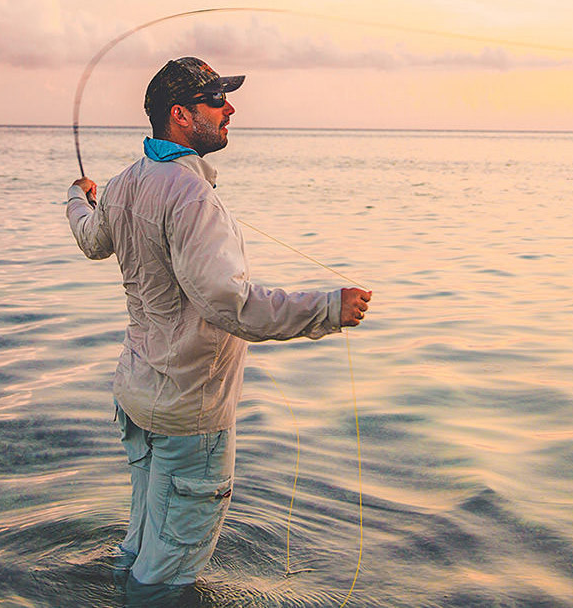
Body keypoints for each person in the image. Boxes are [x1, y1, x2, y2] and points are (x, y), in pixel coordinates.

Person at [65, 56, 372, 595]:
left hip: (136, 399)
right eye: (216, 101)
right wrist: (327, 308)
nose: (230, 109)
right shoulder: (192, 197)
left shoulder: (121, 184)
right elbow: (229, 305)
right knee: (167, 572)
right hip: (189, 415)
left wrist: (77, 196)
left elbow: (92, 239)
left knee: (139, 546)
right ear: (180, 115)